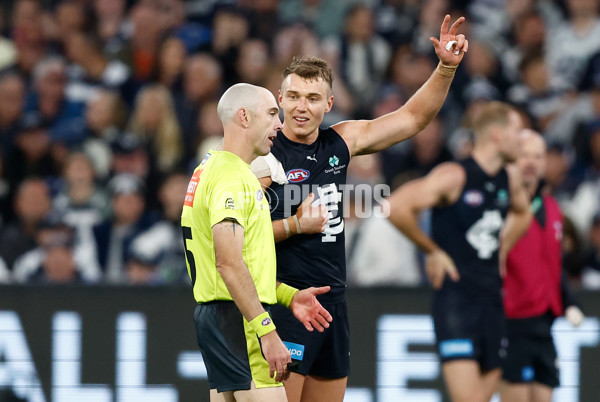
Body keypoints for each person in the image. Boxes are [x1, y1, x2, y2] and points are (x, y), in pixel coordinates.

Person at [252, 15, 469, 402]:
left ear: (329, 104)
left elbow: (413, 118)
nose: (302, 107)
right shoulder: (262, 157)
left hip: (333, 304)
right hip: (285, 303)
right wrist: (295, 225)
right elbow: (238, 239)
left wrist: (446, 68)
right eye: (295, 97)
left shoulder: (342, 141)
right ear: (280, 99)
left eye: (313, 98)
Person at [181, 83, 333, 402]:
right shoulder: (233, 179)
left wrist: (286, 295)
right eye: (272, 113)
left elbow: (239, 259)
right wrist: (266, 331)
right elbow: (228, 263)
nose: (280, 124)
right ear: (244, 117)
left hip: (220, 317)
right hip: (242, 322)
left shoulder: (208, 170)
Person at [386, 101, 532, 402]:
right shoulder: (455, 175)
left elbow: (523, 213)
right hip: (456, 301)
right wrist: (433, 250)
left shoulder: (510, 178)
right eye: (518, 131)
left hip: (493, 300)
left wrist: (503, 248)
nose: (523, 139)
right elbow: (395, 206)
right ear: (496, 135)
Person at [500, 129, 584, 402]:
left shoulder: (551, 206)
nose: (531, 162)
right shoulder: (501, 205)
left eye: (537, 155)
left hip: (544, 323)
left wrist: (568, 301)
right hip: (511, 320)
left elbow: (552, 263)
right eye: (524, 155)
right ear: (512, 159)